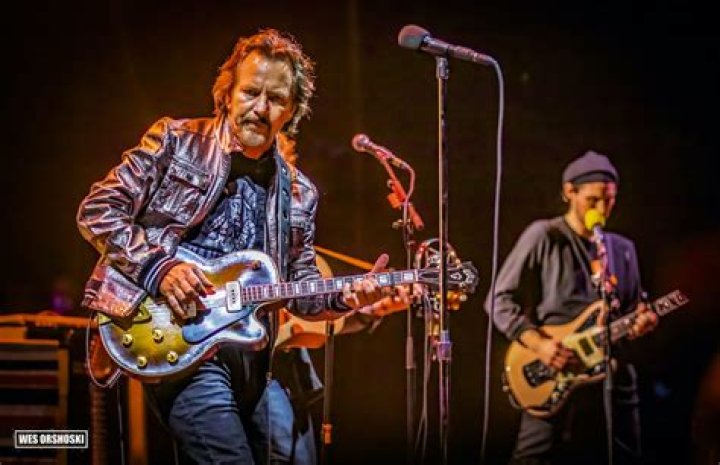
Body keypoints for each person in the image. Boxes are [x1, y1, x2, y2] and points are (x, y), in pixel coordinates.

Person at [77, 29, 408, 465]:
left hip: (251, 355)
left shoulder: (299, 193)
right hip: (176, 340)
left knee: (295, 457)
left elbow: (301, 289)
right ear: (227, 94)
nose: (260, 108)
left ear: (292, 110)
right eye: (251, 92)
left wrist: (349, 297)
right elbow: (98, 210)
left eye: (276, 99)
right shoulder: (176, 140)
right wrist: (160, 268)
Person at [485, 150, 659, 465]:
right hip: (554, 370)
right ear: (569, 192)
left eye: (609, 200)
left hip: (610, 377)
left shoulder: (622, 249)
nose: (602, 209)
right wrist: (540, 344)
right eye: (592, 200)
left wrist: (640, 323)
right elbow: (499, 300)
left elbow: (633, 310)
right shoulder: (545, 235)